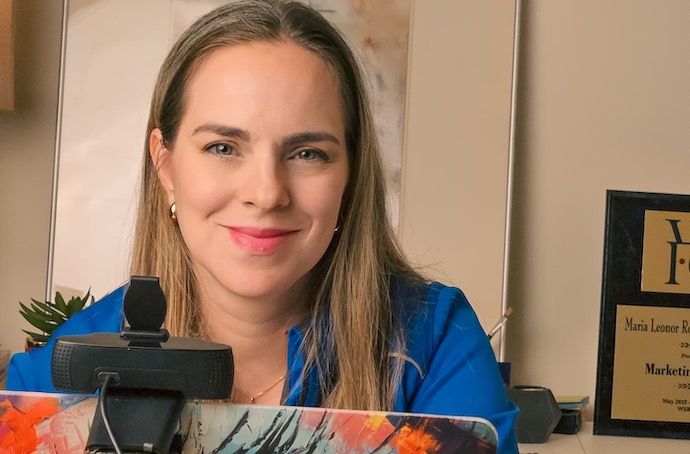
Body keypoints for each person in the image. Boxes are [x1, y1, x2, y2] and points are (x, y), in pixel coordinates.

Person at [7, 1, 518, 451]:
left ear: (351, 174)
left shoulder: (435, 344)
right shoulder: (50, 386)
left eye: (307, 153)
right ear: (165, 165)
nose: (267, 192)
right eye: (223, 147)